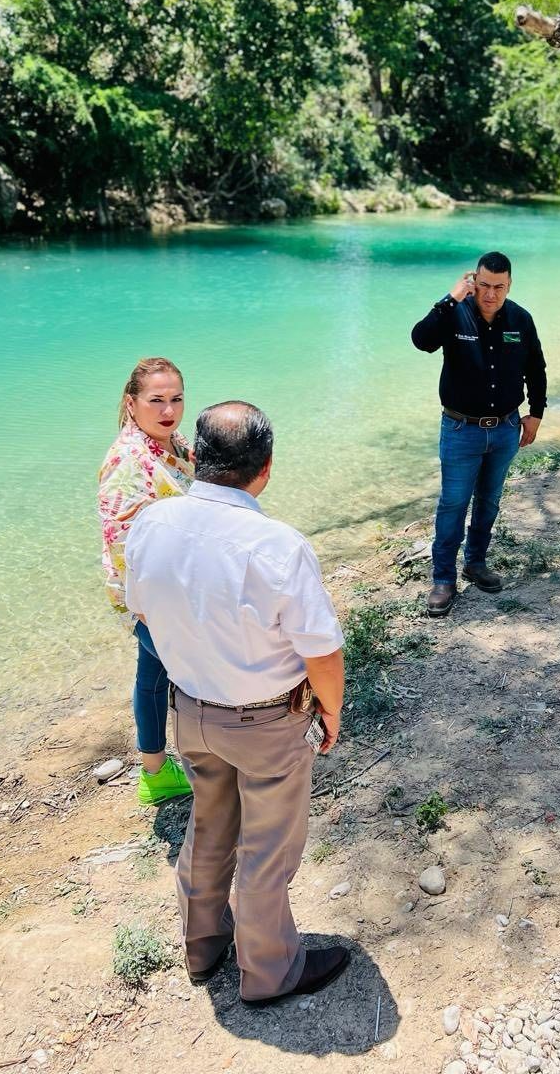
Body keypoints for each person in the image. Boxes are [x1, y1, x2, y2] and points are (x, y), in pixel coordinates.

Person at [125, 402, 350, 1003]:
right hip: (268, 720)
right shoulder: (278, 545)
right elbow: (322, 652)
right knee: (267, 848)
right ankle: (268, 971)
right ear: (266, 468)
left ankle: (203, 947)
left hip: (192, 711)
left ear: (196, 457)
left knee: (210, 825)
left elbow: (141, 609)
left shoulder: (151, 523)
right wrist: (330, 711)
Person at [412, 251, 547, 616]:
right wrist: (450, 298)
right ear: (473, 280)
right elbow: (421, 340)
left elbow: (536, 368)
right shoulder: (454, 312)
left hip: (505, 428)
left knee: (488, 502)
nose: (490, 294)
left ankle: (476, 563)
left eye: (498, 287)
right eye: (484, 285)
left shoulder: (520, 319)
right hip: (460, 429)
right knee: (453, 503)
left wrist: (535, 413)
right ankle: (443, 579)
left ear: (509, 284)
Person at [98, 358, 194, 806]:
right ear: (131, 403)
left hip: (173, 586)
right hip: (149, 595)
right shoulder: (128, 460)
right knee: (195, 676)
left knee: (152, 676)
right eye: (156, 400)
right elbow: (119, 541)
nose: (168, 409)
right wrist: (144, 608)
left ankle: (155, 773)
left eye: (175, 398)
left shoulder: (169, 441)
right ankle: (211, 764)